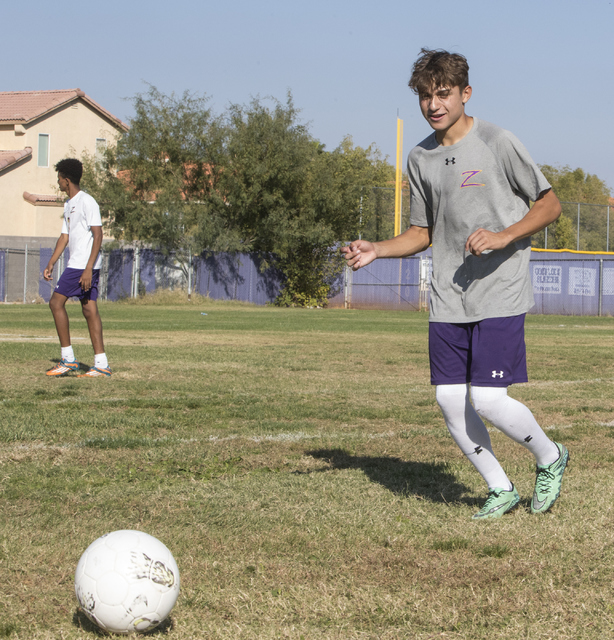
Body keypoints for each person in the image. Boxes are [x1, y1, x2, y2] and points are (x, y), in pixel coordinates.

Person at [342, 49, 568, 519]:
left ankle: (551, 457)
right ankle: (500, 488)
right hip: (448, 294)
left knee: (487, 399)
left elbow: (549, 206)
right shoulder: (419, 158)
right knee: (448, 398)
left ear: (465, 93)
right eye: (425, 95)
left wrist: (505, 235)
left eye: (443, 93)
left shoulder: (497, 141)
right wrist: (378, 249)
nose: (434, 104)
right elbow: (422, 232)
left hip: (499, 288)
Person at [43, 158, 111, 378]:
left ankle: (68, 360)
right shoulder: (68, 204)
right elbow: (65, 236)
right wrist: (52, 262)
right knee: (89, 310)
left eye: (60, 179)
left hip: (83, 266)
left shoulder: (87, 202)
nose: (58, 182)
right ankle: (101, 364)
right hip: (80, 265)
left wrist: (89, 268)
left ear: (67, 179)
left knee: (55, 303)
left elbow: (98, 234)